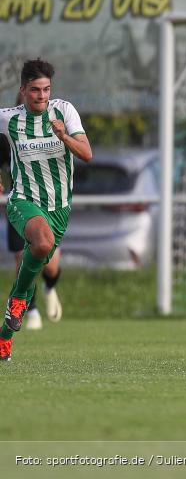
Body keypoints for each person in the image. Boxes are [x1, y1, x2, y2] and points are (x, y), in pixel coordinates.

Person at [1, 59, 92, 362]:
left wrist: (65, 137)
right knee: (41, 243)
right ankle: (18, 302)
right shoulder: (8, 119)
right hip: (23, 200)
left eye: (46, 90)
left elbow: (87, 154)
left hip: (60, 207)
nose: (42, 96)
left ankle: (4, 337)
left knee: (46, 257)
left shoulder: (64, 111)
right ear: (23, 90)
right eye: (36, 90)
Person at [0, 93, 64, 331]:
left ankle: (50, 286)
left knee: (50, 263)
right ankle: (31, 309)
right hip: (20, 203)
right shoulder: (8, 129)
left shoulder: (52, 126)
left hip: (49, 204)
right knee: (21, 257)